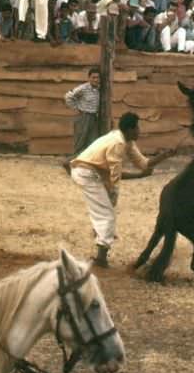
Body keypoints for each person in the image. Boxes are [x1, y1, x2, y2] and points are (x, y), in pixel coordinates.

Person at [69, 112, 170, 267]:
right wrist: (135, 179)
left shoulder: (125, 141)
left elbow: (143, 163)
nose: (139, 131)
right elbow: (114, 176)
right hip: (86, 173)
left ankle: (100, 241)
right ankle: (101, 258)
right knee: (107, 215)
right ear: (129, 129)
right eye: (137, 127)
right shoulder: (118, 143)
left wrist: (165, 156)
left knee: (105, 212)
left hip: (92, 172)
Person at [65, 67, 101, 157]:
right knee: (80, 141)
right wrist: (77, 108)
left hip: (94, 118)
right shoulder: (83, 88)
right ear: (89, 78)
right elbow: (68, 96)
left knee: (92, 142)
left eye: (98, 77)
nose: (96, 80)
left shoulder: (99, 89)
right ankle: (73, 163)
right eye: (93, 77)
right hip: (83, 117)